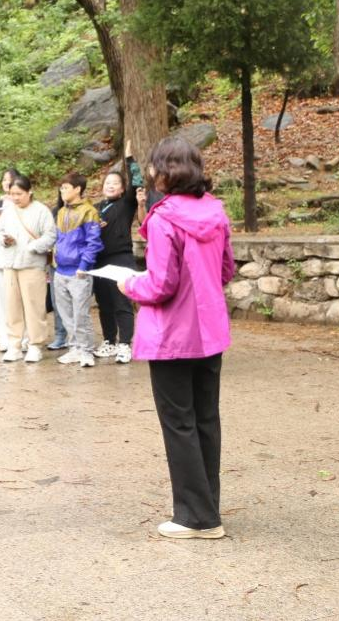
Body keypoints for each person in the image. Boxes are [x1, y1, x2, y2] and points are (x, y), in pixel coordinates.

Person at [118, 136, 234, 540]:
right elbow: (226, 270)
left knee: (179, 423)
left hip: (171, 336)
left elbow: (161, 283)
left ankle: (195, 518)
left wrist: (130, 284)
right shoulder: (216, 211)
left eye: (153, 166)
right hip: (209, 331)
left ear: (164, 172)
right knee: (206, 420)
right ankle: (207, 509)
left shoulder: (164, 218)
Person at [0, 174, 56, 363]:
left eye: (19, 194)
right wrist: (4, 240)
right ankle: (14, 345)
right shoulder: (8, 211)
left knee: (34, 306)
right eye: (12, 194)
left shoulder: (41, 210)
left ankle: (35, 344)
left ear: (29, 192)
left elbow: (50, 235)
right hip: (10, 264)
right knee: (12, 307)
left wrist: (32, 246)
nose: (16, 198)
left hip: (32, 264)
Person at [92, 141, 146, 364]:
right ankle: (109, 341)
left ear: (123, 189)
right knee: (104, 303)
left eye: (115, 183)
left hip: (120, 257)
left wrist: (130, 159)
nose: (111, 186)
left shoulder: (126, 203)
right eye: (107, 183)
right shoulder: (95, 208)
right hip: (98, 260)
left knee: (121, 302)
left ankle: (125, 343)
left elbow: (137, 182)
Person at [52, 172, 104, 367]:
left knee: (81, 314)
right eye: (61, 187)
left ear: (77, 189)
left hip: (79, 272)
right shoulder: (61, 212)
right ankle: (74, 347)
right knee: (65, 313)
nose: (62, 191)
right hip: (60, 270)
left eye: (66, 187)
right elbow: (58, 239)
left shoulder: (89, 212)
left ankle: (86, 350)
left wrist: (84, 266)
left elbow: (93, 243)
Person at [0, 168, 20, 353]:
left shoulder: (24, 203)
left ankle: (22, 338)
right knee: (2, 301)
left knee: (19, 300)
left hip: (19, 259)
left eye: (11, 179)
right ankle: (4, 339)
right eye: (5, 180)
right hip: (0, 258)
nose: (7, 183)